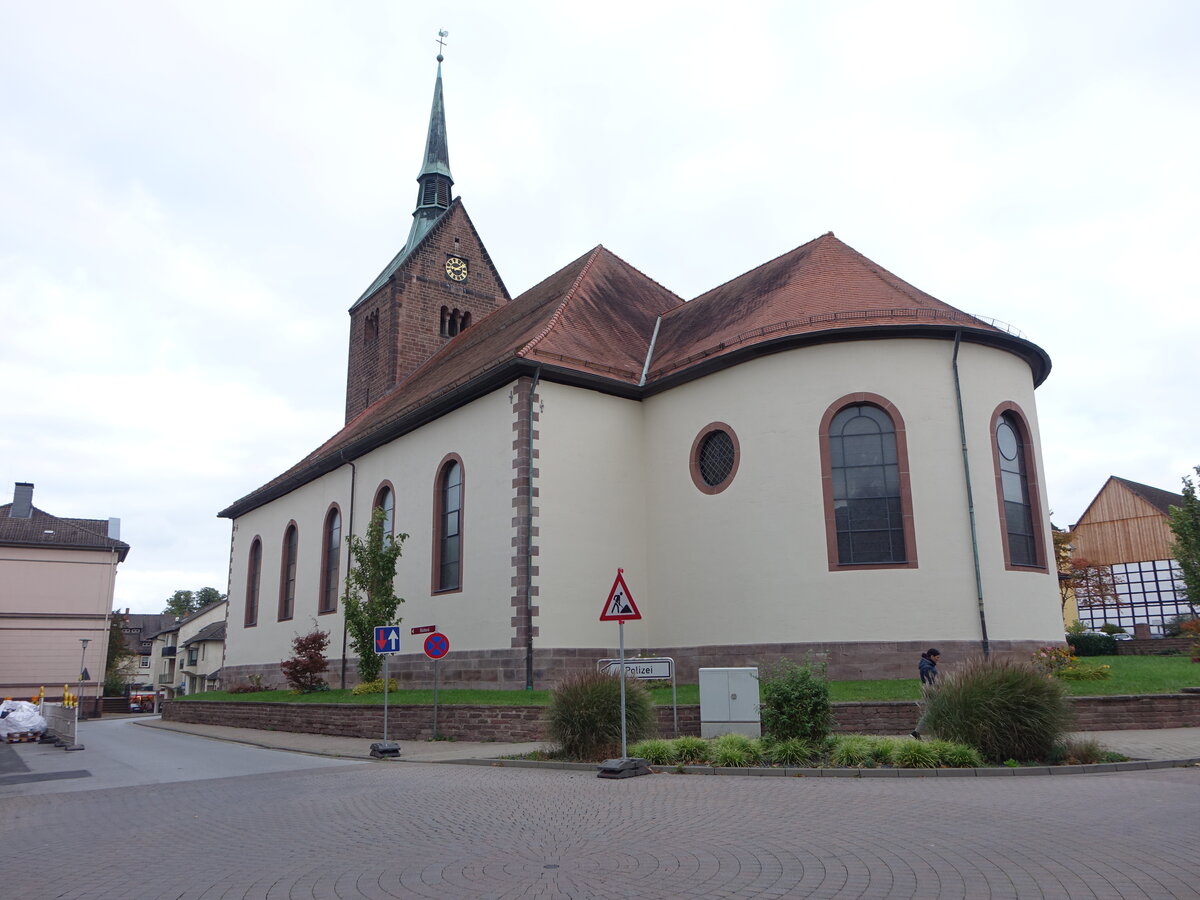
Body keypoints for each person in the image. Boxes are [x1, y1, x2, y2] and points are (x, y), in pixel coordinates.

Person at [911, 648, 941, 740]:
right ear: (931, 656)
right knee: (930, 712)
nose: (938, 659)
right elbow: (930, 682)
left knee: (933, 712)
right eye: (937, 657)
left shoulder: (929, 665)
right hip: (931, 691)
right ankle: (916, 732)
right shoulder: (927, 667)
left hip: (931, 690)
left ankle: (918, 732)